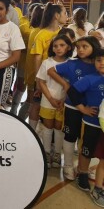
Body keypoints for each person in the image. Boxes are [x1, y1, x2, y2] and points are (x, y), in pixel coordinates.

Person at [47, 36, 101, 181]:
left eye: (85, 46)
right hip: (73, 106)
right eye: (78, 47)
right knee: (70, 135)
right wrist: (65, 85)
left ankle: (82, 168)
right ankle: (68, 166)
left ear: (94, 47)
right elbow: (51, 71)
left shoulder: (98, 64)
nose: (80, 50)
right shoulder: (72, 64)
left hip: (92, 110)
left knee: (86, 139)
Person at [67, 47, 104, 193]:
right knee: (87, 150)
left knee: (100, 153)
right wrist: (83, 109)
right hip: (91, 123)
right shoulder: (90, 78)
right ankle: (82, 173)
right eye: (98, 60)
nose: (101, 63)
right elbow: (72, 92)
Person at [28, 2, 68, 129]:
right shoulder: (42, 34)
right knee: (37, 104)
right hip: (44, 77)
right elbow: (37, 58)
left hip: (60, 77)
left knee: (56, 105)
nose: (67, 16)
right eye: (65, 13)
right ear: (56, 15)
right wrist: (38, 81)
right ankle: (32, 131)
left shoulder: (63, 32)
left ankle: (51, 137)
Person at [36, 35, 73, 169]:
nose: (58, 48)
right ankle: (46, 152)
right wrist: (51, 99)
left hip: (64, 102)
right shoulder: (47, 62)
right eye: (55, 46)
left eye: (62, 45)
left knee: (59, 127)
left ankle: (57, 153)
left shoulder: (71, 63)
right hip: (48, 100)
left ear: (68, 47)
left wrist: (63, 100)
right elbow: (42, 82)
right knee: (47, 127)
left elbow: (71, 84)